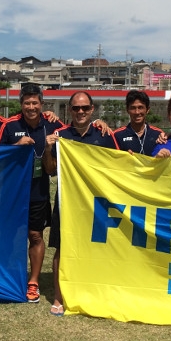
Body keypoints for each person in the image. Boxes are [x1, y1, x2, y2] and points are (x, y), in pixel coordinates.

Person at [44, 91, 118, 316]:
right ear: (69, 110)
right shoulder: (60, 136)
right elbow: (49, 170)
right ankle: (58, 296)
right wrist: (48, 148)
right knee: (62, 248)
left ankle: (95, 291)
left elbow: (119, 166)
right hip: (67, 202)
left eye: (85, 107)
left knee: (98, 248)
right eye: (76, 108)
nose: (80, 112)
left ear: (92, 109)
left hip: (97, 204)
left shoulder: (104, 134)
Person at [0, 83, 64, 303]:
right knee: (8, 235)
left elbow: (73, 136)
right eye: (27, 103)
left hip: (39, 190)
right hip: (12, 191)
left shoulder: (53, 124)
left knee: (35, 235)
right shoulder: (10, 124)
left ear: (42, 104)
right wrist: (16, 145)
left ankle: (33, 281)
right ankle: (7, 277)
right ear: (21, 104)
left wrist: (99, 123)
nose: (31, 107)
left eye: (35, 102)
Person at [113, 90, 163, 156]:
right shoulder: (117, 135)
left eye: (140, 107)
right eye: (133, 108)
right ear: (127, 110)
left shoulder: (158, 134)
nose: (137, 112)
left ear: (147, 110)